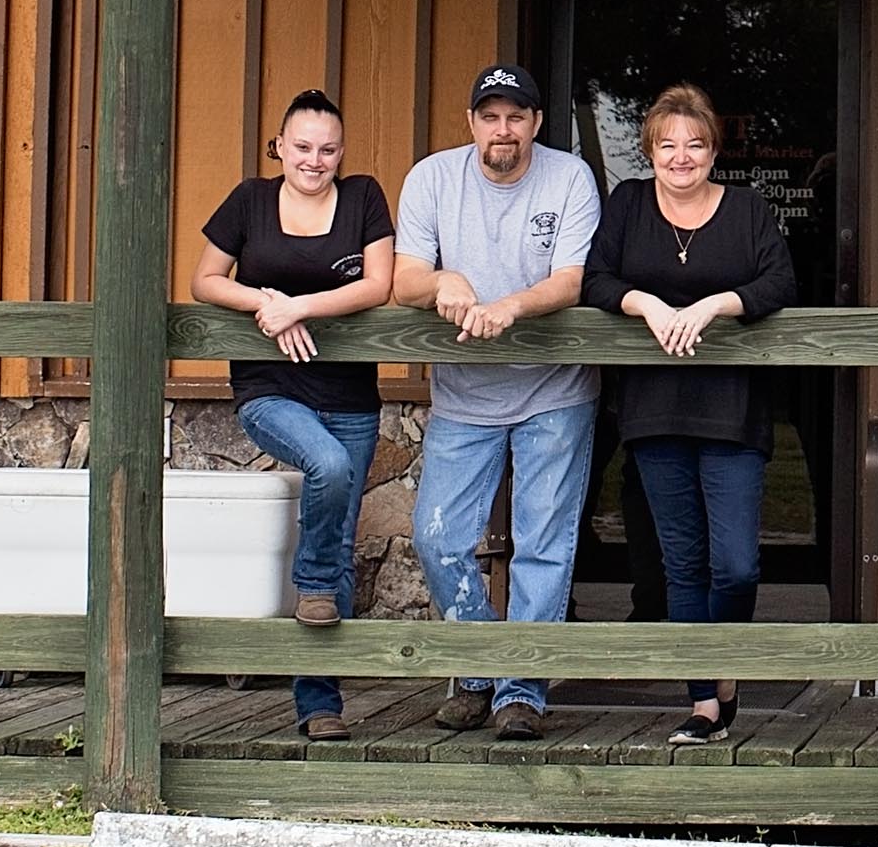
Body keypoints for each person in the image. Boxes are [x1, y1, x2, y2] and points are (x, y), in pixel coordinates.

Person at [581, 83, 798, 743]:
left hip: (732, 407)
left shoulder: (747, 210)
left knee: (734, 563)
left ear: (713, 150)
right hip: (654, 409)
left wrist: (713, 305)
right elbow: (595, 280)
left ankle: (723, 662)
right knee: (682, 563)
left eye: (694, 144)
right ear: (649, 150)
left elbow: (779, 282)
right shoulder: (627, 206)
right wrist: (647, 304)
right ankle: (705, 701)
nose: (681, 157)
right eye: (667, 145)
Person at [395, 62, 604, 741]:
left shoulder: (569, 177)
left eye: (517, 116)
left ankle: (522, 690)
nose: (503, 129)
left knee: (545, 546)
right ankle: (479, 665)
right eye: (490, 116)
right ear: (471, 122)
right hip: (463, 394)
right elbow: (403, 278)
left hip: (555, 392)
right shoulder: (432, 178)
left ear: (537, 124)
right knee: (437, 536)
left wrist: (510, 305)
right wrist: (444, 282)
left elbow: (572, 280)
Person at [190, 89, 398, 741]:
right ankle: (308, 587)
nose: (316, 159)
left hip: (351, 397)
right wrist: (262, 303)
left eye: (328, 148)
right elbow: (205, 281)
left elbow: (377, 284)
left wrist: (300, 308)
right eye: (303, 147)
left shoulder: (363, 196)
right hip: (269, 388)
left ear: (342, 151)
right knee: (327, 468)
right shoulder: (250, 199)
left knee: (336, 540)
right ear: (280, 146)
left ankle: (319, 706)